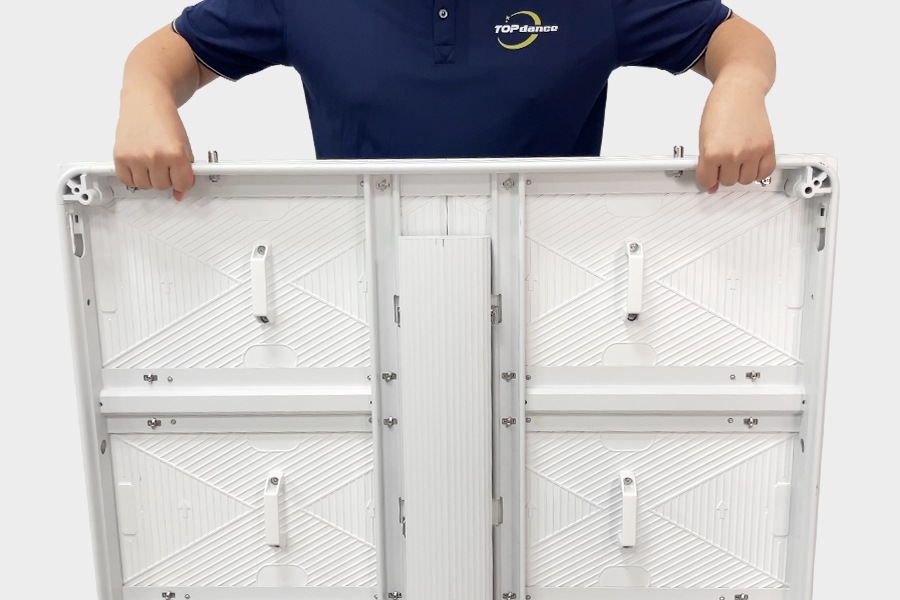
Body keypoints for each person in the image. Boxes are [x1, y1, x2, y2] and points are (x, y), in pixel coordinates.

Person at [113, 0, 776, 200]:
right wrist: (144, 92)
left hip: (559, 317)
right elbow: (172, 53)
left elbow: (730, 37)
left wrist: (740, 87)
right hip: (359, 318)